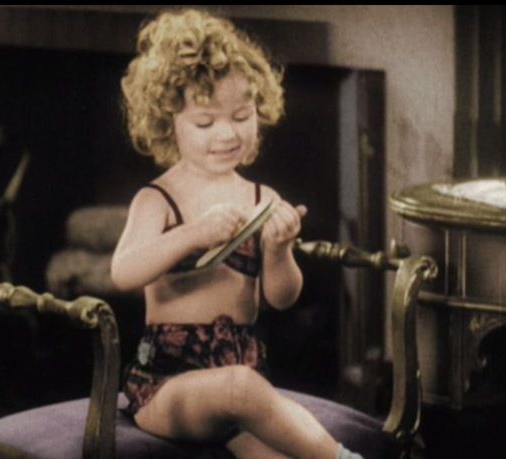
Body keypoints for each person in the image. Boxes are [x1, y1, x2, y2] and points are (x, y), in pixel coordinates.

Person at [111, 8, 362, 459]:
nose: (227, 134)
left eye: (242, 116)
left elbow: (281, 298)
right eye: (205, 123)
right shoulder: (158, 198)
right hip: (167, 387)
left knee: (267, 436)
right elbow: (123, 272)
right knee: (240, 388)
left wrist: (279, 250)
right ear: (168, 123)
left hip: (242, 383)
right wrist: (193, 234)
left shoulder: (262, 198)